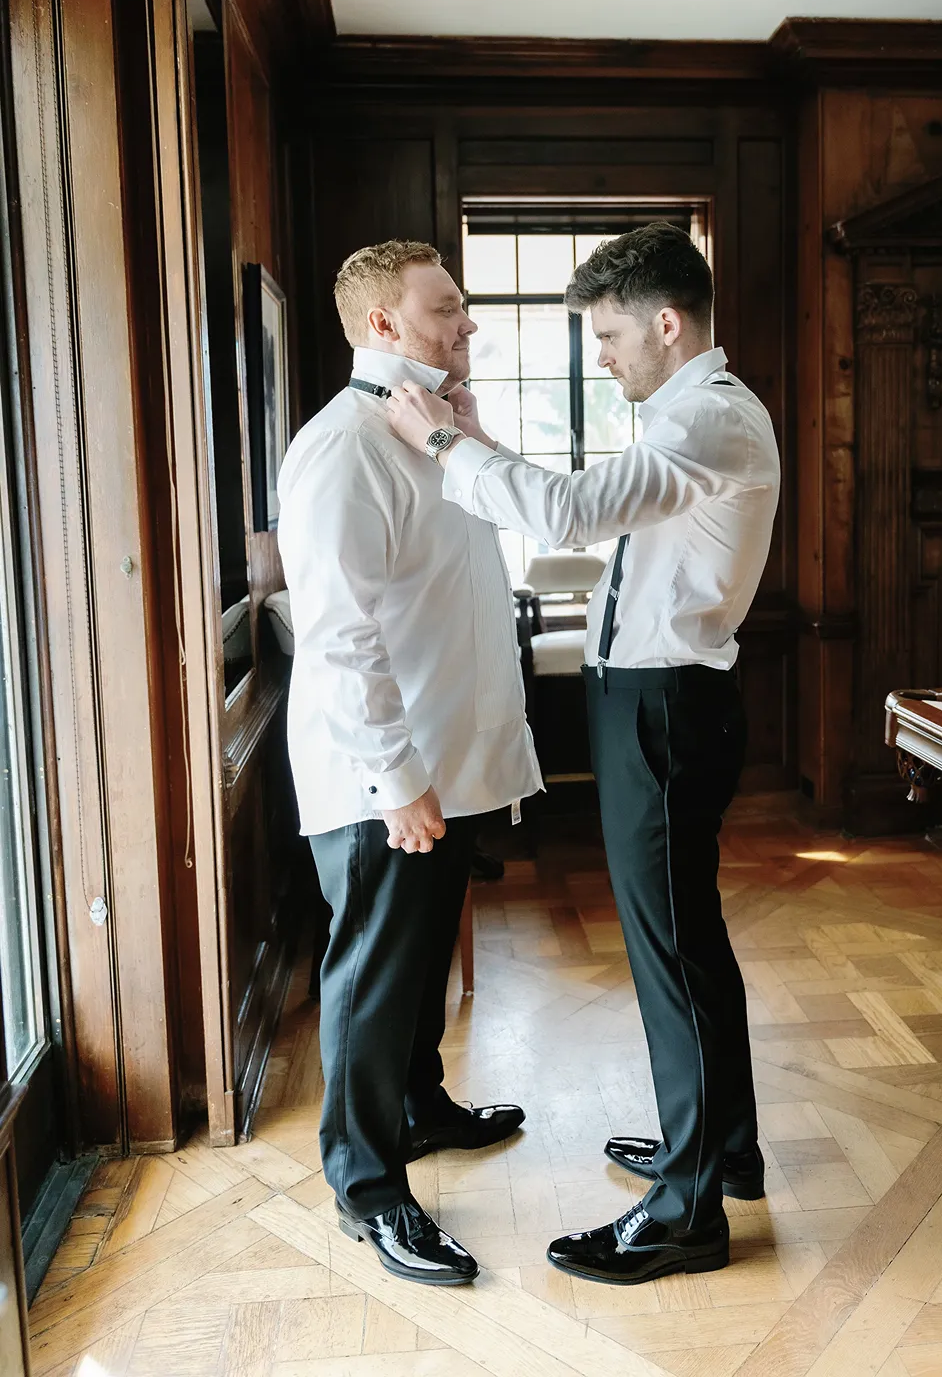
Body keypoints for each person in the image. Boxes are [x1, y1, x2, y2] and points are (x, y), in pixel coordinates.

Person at [388, 222, 780, 1286]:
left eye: (608, 335)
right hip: (652, 706)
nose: (599, 355)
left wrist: (440, 440)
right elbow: (579, 512)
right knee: (682, 942)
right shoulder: (681, 417)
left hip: (666, 710)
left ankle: (688, 1213)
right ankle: (718, 1150)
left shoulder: (708, 421)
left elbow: (564, 509)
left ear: (665, 322)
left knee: (671, 953)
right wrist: (474, 436)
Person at [277, 240, 542, 1287]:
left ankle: (420, 1105)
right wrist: (399, 780)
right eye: (447, 310)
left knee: (423, 952)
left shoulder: (439, 433)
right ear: (383, 325)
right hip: (385, 775)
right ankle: (366, 1185)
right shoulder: (341, 449)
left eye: (465, 308)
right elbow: (340, 638)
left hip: (452, 758)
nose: (467, 325)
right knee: (372, 974)